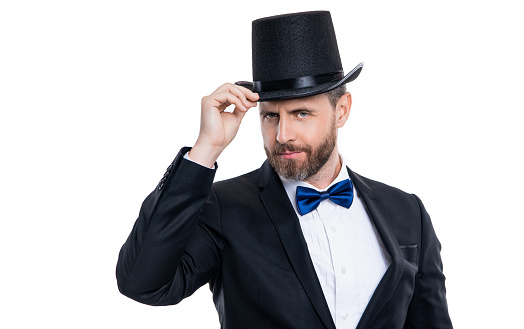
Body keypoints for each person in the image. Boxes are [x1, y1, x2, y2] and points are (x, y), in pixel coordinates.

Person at [116, 11, 453, 329]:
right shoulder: (224, 207)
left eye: (301, 113)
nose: (282, 135)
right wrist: (205, 149)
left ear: (342, 111)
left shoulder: (408, 212)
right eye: (270, 116)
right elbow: (142, 283)